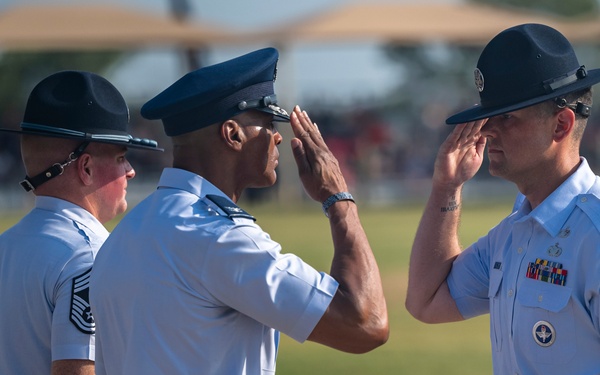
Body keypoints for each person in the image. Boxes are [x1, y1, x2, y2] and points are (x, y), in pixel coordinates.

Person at [89, 47, 389, 374]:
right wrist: (338, 199)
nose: (277, 138)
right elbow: (365, 324)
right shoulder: (217, 237)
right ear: (233, 134)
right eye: (266, 123)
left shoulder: (127, 232)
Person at [405, 23, 600, 374]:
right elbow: (426, 302)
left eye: (507, 116)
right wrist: (446, 189)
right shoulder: (514, 233)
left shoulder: (594, 234)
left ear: (561, 125)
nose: (487, 129)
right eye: (487, 116)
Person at [0, 70, 162, 375]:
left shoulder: (6, 244)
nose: (130, 171)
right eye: (120, 158)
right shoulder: (90, 256)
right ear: (85, 168)